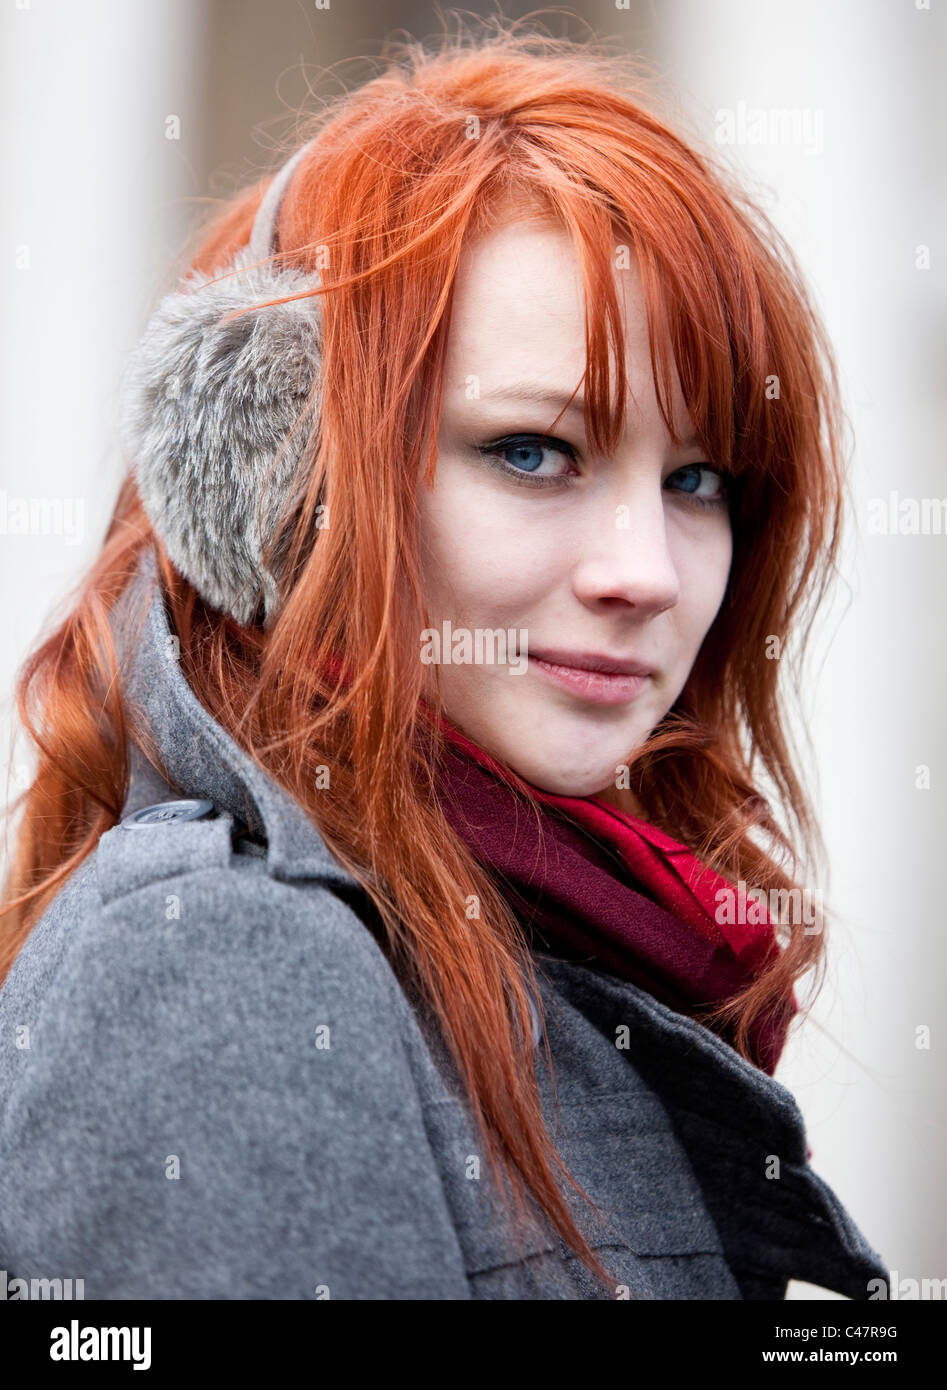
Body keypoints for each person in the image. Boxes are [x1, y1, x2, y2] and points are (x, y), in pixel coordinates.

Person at [0, 27, 887, 1300]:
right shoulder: (223, 959)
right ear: (291, 489)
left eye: (695, 478)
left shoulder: (574, 922)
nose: (644, 569)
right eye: (532, 451)